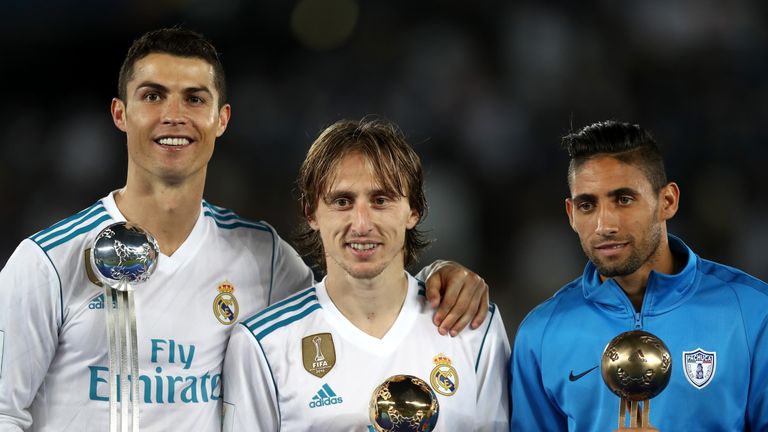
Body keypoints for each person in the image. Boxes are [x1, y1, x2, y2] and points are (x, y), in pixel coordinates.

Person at [0, 28, 490, 431]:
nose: (174, 115)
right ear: (120, 114)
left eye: (195, 98)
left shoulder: (265, 257)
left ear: (221, 119)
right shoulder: (47, 262)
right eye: (153, 96)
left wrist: (440, 278)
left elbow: (352, 306)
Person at [222, 118, 510, 431]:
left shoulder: (475, 327)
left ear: (413, 210)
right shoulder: (263, 345)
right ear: (311, 212)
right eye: (343, 201)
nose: (361, 223)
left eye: (380, 200)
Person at [510, 120, 768, 431]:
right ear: (571, 214)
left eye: (623, 199)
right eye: (587, 205)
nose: (605, 225)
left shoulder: (752, 314)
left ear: (667, 202)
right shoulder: (540, 335)